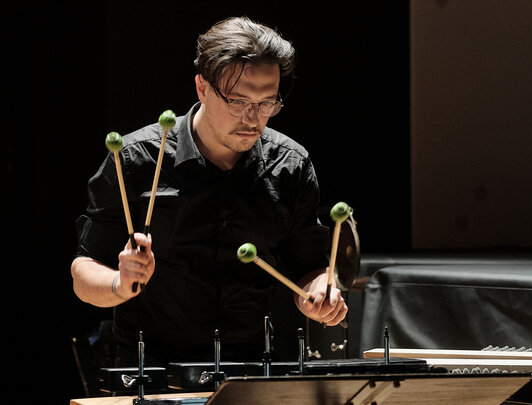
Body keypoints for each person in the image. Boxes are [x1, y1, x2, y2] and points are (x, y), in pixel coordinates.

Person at [71, 16, 347, 367]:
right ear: (202, 88)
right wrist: (120, 284)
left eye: (267, 103)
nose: (252, 119)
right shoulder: (135, 160)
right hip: (151, 368)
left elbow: (310, 267)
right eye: (238, 101)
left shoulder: (290, 166)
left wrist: (321, 292)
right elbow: (84, 271)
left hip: (250, 368)